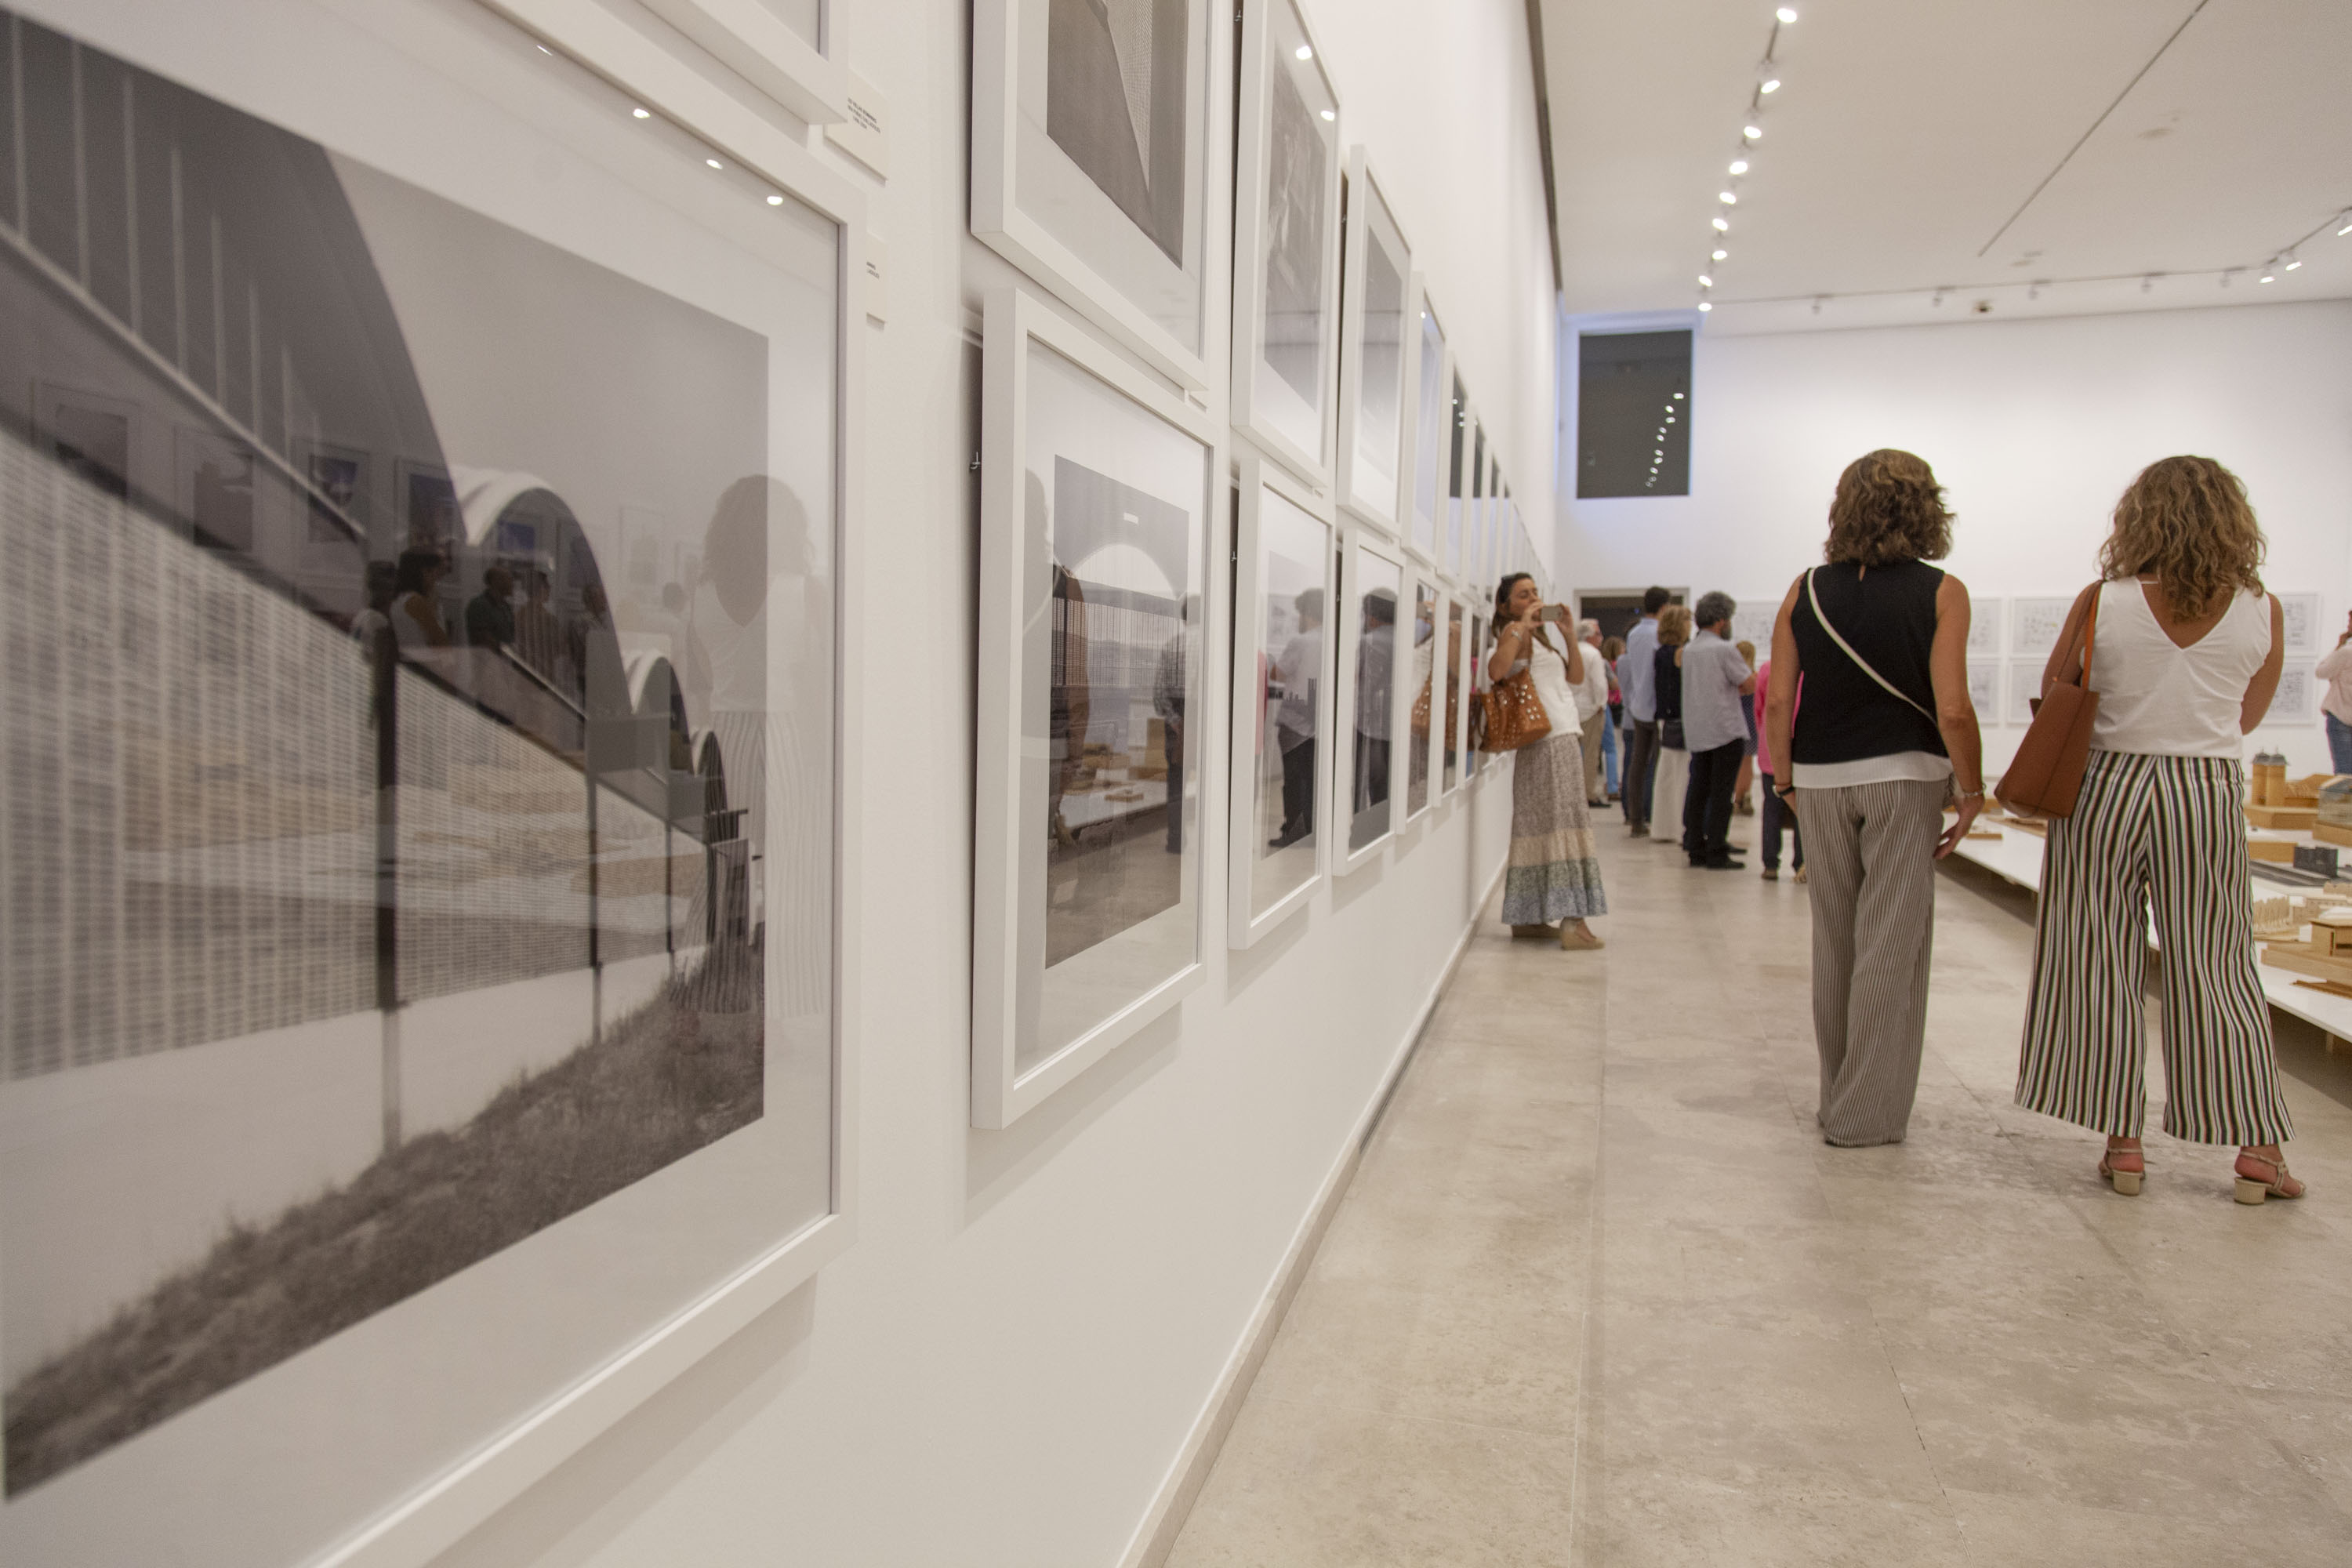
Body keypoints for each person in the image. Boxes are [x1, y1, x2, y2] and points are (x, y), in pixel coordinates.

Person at [2015, 455, 2303, 1202]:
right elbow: (2246, 716)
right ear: (2234, 521)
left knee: (2097, 955)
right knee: (2218, 962)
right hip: (2204, 790)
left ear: (2138, 519)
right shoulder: (2263, 610)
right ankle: (2258, 1150)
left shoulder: (2102, 601)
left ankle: (2124, 1145)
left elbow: (2054, 692)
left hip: (2104, 786)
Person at [1764, 448, 1984, 1149]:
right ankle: (1865, 1116)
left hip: (1819, 778)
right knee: (1891, 940)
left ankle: (1838, 1098)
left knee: (1834, 939)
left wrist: (1784, 780)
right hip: (1905, 777)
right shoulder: (1943, 591)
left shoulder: (1805, 589)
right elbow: (1954, 709)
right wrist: (1972, 790)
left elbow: (1778, 701)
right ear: (1927, 508)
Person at [1489, 573, 1605, 949]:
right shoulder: (1514, 632)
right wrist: (1522, 626)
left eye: (1535, 592)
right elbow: (1496, 671)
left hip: (1554, 737)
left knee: (1539, 825)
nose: (1533, 599)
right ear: (1506, 605)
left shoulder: (1538, 638)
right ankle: (1574, 922)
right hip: (1550, 740)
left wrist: (1568, 634)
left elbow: (1575, 678)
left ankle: (1529, 917)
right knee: (1565, 824)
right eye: (1523, 595)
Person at [1679, 593, 1756, 869]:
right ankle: (1716, 850)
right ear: (1722, 620)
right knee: (1722, 794)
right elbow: (1748, 683)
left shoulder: (1689, 650)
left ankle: (1695, 847)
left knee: (1698, 791)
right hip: (1724, 729)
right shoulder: (1724, 649)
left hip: (1698, 729)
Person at [1270, 587, 1324, 849]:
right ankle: (1312, 828)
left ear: (1307, 613)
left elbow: (1278, 674)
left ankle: (1293, 830)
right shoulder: (1335, 642)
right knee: (1314, 779)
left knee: (1293, 780)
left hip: (1295, 723)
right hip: (1320, 722)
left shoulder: (1301, 642)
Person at [1618, 586, 1670, 834]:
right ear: (1664, 607)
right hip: (1657, 707)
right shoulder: (1659, 633)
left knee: (1637, 766)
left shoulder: (1635, 633)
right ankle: (1657, 819)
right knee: (1658, 767)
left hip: (1638, 706)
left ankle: (1636, 820)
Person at [1753, 652, 1804, 881]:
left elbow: (1760, 708)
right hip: (1801, 749)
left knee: (1771, 808)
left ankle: (1770, 863)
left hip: (1771, 749)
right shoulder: (1808, 670)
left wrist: (1765, 734)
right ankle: (1802, 862)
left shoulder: (1767, 669)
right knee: (1802, 810)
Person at [1649, 604, 1691, 846]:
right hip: (1679, 717)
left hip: (1666, 717)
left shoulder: (1660, 653)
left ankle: (1663, 826)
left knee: (1666, 775)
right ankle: (1677, 827)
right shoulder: (1680, 653)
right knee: (1680, 775)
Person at [1574, 618, 1610, 807]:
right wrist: (1601, 704)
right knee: (1591, 755)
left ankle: (1573, 793)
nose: (1600, 637)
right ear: (1589, 636)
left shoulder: (1572, 651)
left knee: (1573, 756)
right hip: (1591, 710)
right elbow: (1599, 684)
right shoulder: (1593, 655)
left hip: (1573, 710)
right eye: (1597, 634)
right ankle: (1589, 794)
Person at [390, 547, 450, 649]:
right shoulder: (415, 601)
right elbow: (441, 640)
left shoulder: (399, 598)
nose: (435, 578)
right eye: (432, 571)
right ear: (423, 572)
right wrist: (434, 607)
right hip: (423, 657)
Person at [2320, 610, 2352, 773]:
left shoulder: (2346, 652)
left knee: (2344, 775)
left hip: (2340, 717)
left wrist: (2339, 646)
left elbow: (2321, 671)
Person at [1733, 639, 1760, 814]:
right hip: (1752, 722)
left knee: (1737, 762)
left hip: (1737, 722)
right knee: (1747, 761)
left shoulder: (1735, 679)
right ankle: (1746, 795)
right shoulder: (1755, 677)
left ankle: (1737, 798)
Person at [465, 564, 517, 652]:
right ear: (496, 581)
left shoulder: (505, 606)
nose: (512, 584)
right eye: (509, 579)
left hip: (505, 657)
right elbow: (483, 638)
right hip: (487, 657)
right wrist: (506, 650)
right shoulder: (479, 605)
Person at [1601, 634, 1625, 801]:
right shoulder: (1618, 666)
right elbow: (1617, 685)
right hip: (1617, 707)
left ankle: (1609, 781)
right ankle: (1615, 783)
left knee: (1608, 748)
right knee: (1616, 748)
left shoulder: (1604, 663)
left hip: (1606, 706)